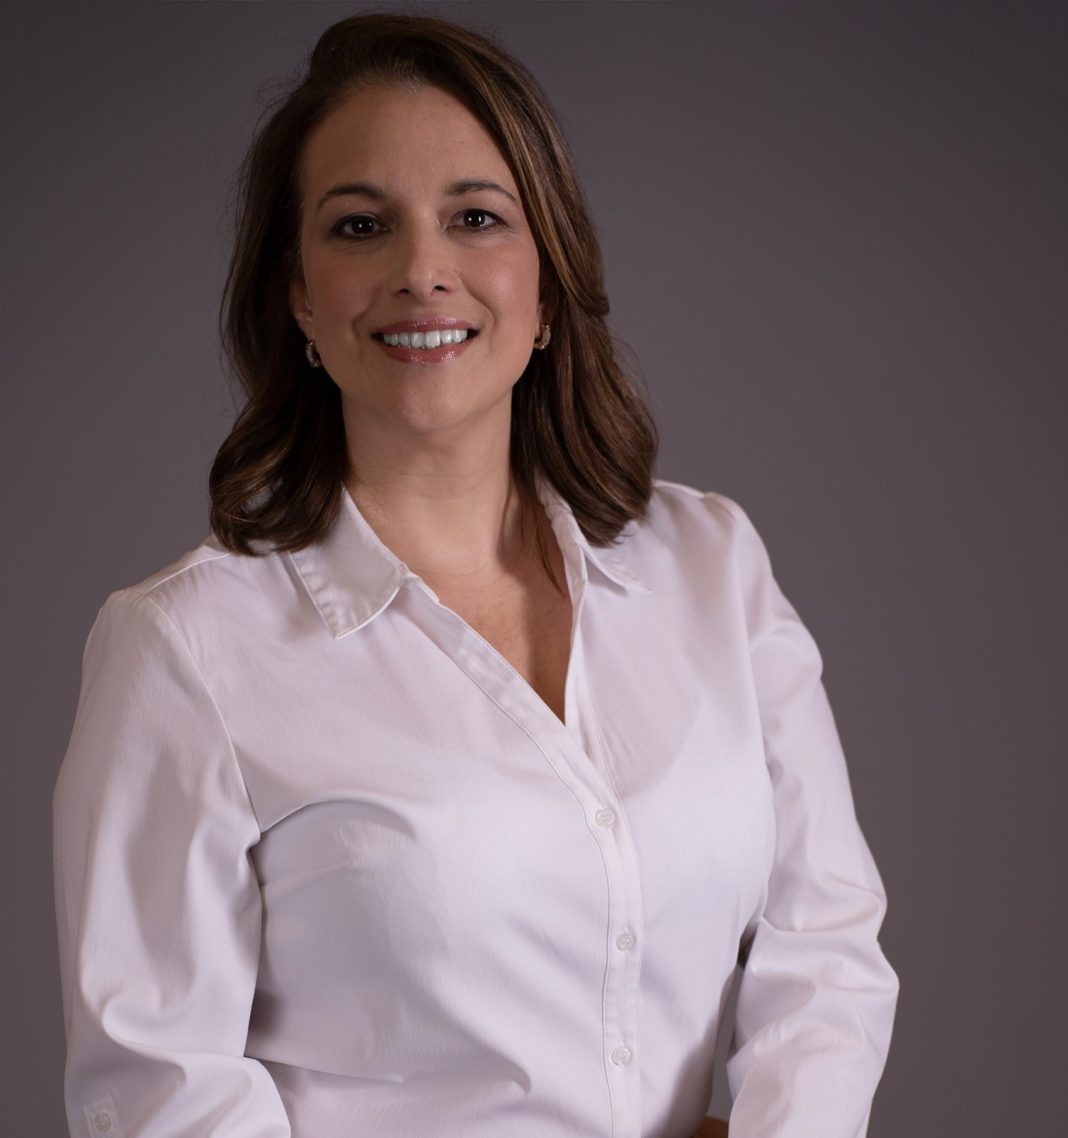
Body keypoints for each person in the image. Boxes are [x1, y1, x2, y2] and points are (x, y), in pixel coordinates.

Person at [52, 12, 899, 1138]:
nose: (421, 271)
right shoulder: (186, 646)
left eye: (476, 217)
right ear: (298, 294)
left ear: (547, 281)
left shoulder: (714, 565)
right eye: (360, 226)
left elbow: (826, 947)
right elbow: (158, 1088)